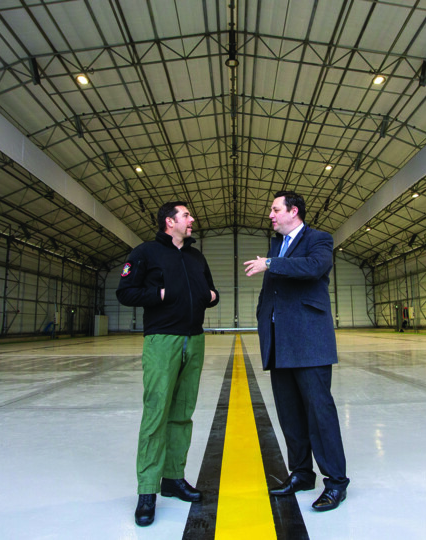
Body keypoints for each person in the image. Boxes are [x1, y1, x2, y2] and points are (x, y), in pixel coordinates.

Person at [243, 190, 349, 512]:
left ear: (294, 211)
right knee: (289, 414)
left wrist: (271, 263)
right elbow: (272, 287)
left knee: (320, 412)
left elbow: (314, 268)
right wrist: (264, 315)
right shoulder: (276, 245)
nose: (271, 215)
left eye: (275, 210)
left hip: (309, 341)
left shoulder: (320, 239)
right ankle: (302, 473)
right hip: (279, 340)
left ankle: (336, 482)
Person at [116, 201, 220, 527]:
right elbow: (125, 291)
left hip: (195, 339)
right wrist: (158, 296)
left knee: (182, 414)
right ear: (169, 221)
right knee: (156, 413)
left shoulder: (195, 255)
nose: (192, 220)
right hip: (162, 341)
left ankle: (173, 478)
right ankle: (147, 490)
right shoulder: (145, 252)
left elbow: (210, 288)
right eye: (186, 215)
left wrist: (212, 296)